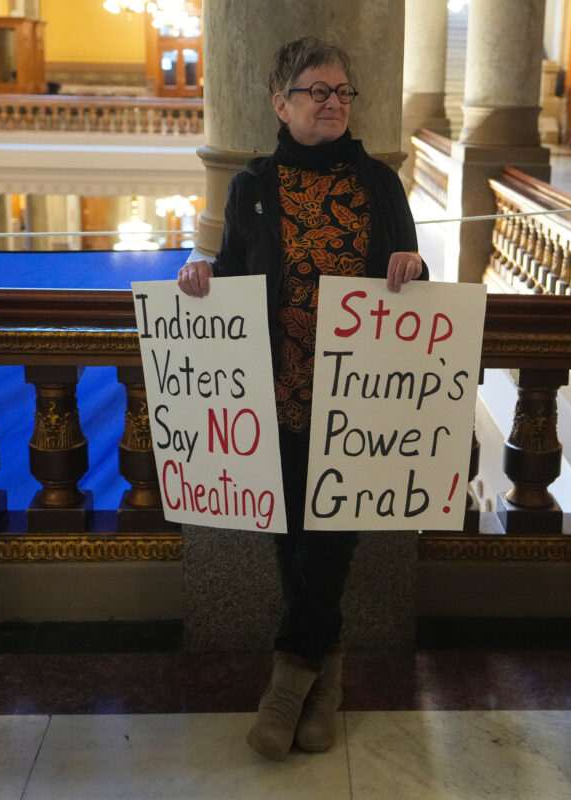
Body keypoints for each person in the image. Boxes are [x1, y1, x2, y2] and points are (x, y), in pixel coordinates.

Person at [176, 36, 426, 762]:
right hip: (277, 392)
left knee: (332, 536)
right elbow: (233, 276)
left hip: (358, 402)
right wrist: (201, 274)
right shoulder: (252, 186)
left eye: (342, 91)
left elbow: (411, 275)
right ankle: (328, 677)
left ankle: (287, 685)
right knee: (292, 536)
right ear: (281, 104)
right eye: (317, 90)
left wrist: (412, 264)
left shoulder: (379, 183)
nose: (333, 102)